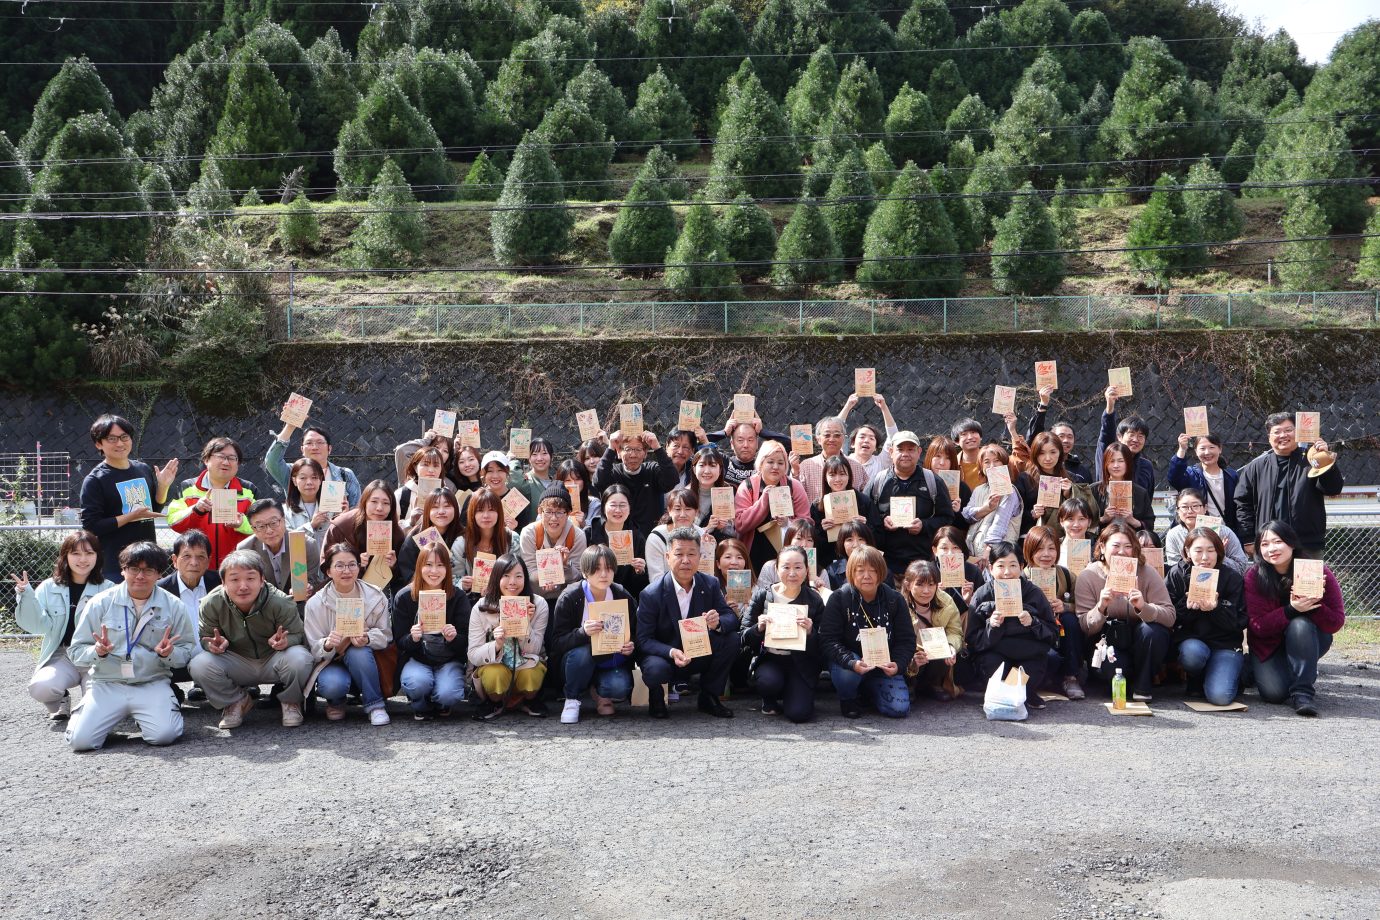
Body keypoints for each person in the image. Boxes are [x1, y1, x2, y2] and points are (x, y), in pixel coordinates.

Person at [65, 542, 197, 751]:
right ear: (123, 570)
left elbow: (187, 650)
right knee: (81, 742)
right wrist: (97, 652)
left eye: (148, 570)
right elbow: (75, 652)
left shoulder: (174, 606)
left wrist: (170, 654)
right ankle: (104, 721)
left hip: (151, 682)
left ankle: (145, 717)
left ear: (159, 574)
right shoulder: (100, 603)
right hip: (106, 683)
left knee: (164, 736)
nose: (140, 576)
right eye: (134, 569)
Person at [190, 550, 315, 729]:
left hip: (274, 658)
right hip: (236, 660)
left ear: (262, 579)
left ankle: (291, 702)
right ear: (223, 582)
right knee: (199, 664)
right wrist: (213, 645)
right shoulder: (211, 603)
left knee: (301, 658)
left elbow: (298, 634)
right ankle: (235, 701)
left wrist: (286, 642)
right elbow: (205, 637)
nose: (243, 586)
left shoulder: (280, 601)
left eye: (250, 578)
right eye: (234, 579)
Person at [635, 527, 741, 719]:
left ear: (700, 557)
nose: (686, 560)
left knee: (731, 639)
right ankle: (656, 696)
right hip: (666, 656)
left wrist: (717, 622)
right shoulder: (651, 594)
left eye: (691, 554)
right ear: (668, 557)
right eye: (679, 554)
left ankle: (709, 696)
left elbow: (730, 618)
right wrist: (671, 652)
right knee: (655, 669)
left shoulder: (710, 584)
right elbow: (643, 640)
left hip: (698, 650)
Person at [1245, 520, 1345, 715]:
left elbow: (1335, 622)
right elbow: (1257, 626)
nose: (1271, 549)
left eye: (1278, 542)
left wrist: (1313, 605)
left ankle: (1303, 693)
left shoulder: (1319, 572)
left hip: (1306, 639)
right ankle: (1251, 667)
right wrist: (1291, 609)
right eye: (1264, 544)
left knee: (1300, 624)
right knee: (1274, 694)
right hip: (1268, 646)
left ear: (1291, 543)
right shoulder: (1254, 576)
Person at [11, 531, 107, 720]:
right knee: (41, 687)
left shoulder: (109, 589)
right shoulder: (48, 587)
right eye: (76, 553)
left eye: (89, 553)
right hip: (62, 656)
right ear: (65, 556)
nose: (83, 559)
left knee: (94, 710)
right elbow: (37, 626)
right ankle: (61, 698)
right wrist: (26, 595)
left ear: (97, 556)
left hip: (97, 657)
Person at [1074, 521, 1175, 701]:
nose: (1122, 552)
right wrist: (1101, 607)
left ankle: (1143, 685)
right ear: (1102, 547)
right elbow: (1084, 627)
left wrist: (1143, 607)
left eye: (1128, 547)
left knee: (1153, 631)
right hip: (1107, 640)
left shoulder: (1147, 572)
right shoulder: (1088, 575)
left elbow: (1170, 616)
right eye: (1116, 546)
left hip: (1140, 640)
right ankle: (1122, 680)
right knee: (1113, 671)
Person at [78, 414, 179, 582]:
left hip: (148, 560)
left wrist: (163, 485)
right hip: (115, 566)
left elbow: (152, 510)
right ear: (98, 444)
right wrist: (131, 516)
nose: (119, 443)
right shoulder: (95, 480)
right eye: (112, 439)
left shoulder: (142, 469)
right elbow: (92, 526)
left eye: (124, 437)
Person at [819, 545, 914, 718]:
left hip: (883, 665)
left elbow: (906, 640)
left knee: (899, 708)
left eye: (873, 570)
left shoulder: (895, 600)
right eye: (860, 570)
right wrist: (851, 662)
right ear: (851, 572)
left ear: (881, 572)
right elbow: (828, 640)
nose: (867, 576)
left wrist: (898, 664)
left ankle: (868, 691)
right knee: (847, 676)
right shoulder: (839, 598)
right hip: (851, 665)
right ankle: (849, 697)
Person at [303, 543, 393, 726]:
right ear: (328, 571)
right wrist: (327, 643)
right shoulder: (315, 603)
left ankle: (375, 705)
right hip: (331, 661)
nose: (347, 571)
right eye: (339, 566)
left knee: (359, 652)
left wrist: (368, 638)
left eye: (352, 564)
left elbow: (386, 635)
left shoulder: (375, 596)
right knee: (332, 685)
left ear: (359, 567)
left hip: (366, 659)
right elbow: (313, 648)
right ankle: (336, 701)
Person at [1234, 412, 1344, 558]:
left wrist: (1325, 458)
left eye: (1288, 430)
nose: (1283, 435)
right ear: (1269, 437)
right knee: (1268, 575)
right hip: (1268, 545)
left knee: (1308, 574)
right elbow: (1243, 504)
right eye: (1277, 432)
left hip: (1307, 545)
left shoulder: (1312, 461)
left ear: (1297, 433)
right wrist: (1248, 538)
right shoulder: (1255, 467)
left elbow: (1333, 489)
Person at [549, 546, 638, 724]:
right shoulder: (570, 597)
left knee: (619, 686)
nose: (604, 574)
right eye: (597, 569)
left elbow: (636, 633)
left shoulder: (622, 595)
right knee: (582, 653)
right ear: (584, 572)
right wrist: (583, 632)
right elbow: (557, 642)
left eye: (609, 568)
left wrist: (631, 645)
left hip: (610, 660)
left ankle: (600, 692)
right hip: (575, 662)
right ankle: (572, 698)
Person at [965, 542, 1059, 708]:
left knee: (1038, 667)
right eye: (1001, 566)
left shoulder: (1034, 593)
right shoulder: (982, 594)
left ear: (1021, 567)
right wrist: (991, 626)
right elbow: (972, 639)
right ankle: (1002, 694)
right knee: (993, 666)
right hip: (995, 652)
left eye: (1013, 565)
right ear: (991, 568)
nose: (1007, 572)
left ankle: (1026, 692)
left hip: (1028, 653)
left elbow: (1053, 634)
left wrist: (1033, 623)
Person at [1164, 527, 1248, 706]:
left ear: (1219, 552)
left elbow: (1240, 621)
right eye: (1198, 550)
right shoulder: (1177, 573)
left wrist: (1216, 608)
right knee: (1192, 653)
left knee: (1220, 697)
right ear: (1187, 551)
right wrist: (1187, 606)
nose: (1205, 557)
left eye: (1211, 550)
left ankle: (1233, 674)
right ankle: (1195, 677)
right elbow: (1168, 615)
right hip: (1193, 642)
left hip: (1225, 645)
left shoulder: (1232, 577)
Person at [741, 545, 824, 723]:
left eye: (798, 567)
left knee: (799, 714)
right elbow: (743, 636)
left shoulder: (814, 599)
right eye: (786, 567)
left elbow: (824, 643)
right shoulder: (763, 595)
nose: (792, 573)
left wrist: (811, 632)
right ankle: (769, 698)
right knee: (769, 682)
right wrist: (758, 628)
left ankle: (793, 693)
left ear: (806, 570)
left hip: (800, 663)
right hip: (770, 659)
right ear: (777, 569)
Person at [392, 542, 472, 719]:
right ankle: (420, 704)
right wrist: (412, 638)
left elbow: (466, 639)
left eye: (440, 565)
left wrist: (453, 638)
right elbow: (399, 641)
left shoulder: (458, 596)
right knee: (417, 683)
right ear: (419, 566)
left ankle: (442, 703)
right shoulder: (405, 597)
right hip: (417, 659)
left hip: (449, 660)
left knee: (448, 693)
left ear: (448, 569)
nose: (434, 571)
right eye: (428, 564)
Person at [467, 553, 549, 720]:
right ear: (496, 577)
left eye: (518, 576)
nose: (512, 582)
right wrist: (496, 645)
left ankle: (528, 700)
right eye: (506, 576)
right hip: (496, 666)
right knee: (494, 675)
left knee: (531, 674)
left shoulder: (538, 604)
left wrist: (525, 624)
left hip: (526, 662)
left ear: (525, 578)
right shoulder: (481, 607)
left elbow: (536, 649)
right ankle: (494, 701)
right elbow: (473, 654)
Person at [868, 430, 955, 576]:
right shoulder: (878, 481)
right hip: (885, 566)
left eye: (910, 449)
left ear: (919, 452)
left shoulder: (933, 481)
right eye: (900, 449)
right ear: (891, 452)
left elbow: (947, 518)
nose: (905, 454)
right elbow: (865, 516)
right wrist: (883, 521)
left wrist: (924, 525)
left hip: (923, 564)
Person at [166, 437, 256, 567]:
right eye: (221, 456)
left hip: (237, 566)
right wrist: (196, 510)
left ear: (238, 463)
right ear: (206, 459)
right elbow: (173, 521)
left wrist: (242, 524)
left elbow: (262, 525)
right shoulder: (187, 487)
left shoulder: (248, 490)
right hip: (197, 566)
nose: (226, 462)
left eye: (232, 458)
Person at [1022, 526, 1085, 700]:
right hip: (1035, 631)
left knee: (1070, 620)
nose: (1046, 554)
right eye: (1040, 549)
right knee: (1051, 659)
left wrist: (1065, 606)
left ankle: (1071, 677)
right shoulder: (1022, 578)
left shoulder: (1066, 575)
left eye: (1051, 548)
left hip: (1061, 629)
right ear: (1029, 550)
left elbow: (1082, 605)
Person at [734, 439, 811, 572]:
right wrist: (763, 501)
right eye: (770, 462)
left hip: (788, 553)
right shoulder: (748, 486)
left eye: (780, 463)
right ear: (761, 463)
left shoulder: (794, 486)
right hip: (755, 551)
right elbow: (740, 524)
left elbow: (807, 521)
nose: (775, 467)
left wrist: (789, 523)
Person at [321, 479, 406, 594]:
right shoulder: (341, 526)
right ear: (364, 502)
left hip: (380, 592)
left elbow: (402, 576)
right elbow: (325, 564)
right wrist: (354, 564)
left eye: (386, 503)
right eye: (374, 501)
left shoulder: (396, 534)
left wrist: (393, 566)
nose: (379, 508)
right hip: (342, 590)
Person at [591, 430, 681, 535]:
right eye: (627, 449)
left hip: (650, 536)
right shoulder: (613, 472)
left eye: (638, 449)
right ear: (619, 452)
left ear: (645, 453)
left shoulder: (652, 470)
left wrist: (657, 447)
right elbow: (598, 482)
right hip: (618, 536)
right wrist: (611, 448)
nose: (633, 455)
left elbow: (672, 479)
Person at [900, 559, 963, 701]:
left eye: (931, 584)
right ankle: (909, 684)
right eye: (920, 584)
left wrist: (951, 646)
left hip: (934, 653)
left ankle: (933, 684)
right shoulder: (898, 603)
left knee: (944, 649)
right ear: (908, 585)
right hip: (910, 653)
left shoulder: (946, 601)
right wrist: (911, 660)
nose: (926, 591)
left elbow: (955, 631)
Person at [238, 498, 323, 600]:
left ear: (284, 520)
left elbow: (312, 579)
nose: (269, 531)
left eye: (273, 523)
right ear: (253, 529)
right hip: (264, 604)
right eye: (260, 526)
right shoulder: (245, 549)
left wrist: (307, 588)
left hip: (298, 603)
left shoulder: (306, 544)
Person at [267, 416, 361, 507]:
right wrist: (290, 426)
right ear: (302, 449)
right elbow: (272, 462)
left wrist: (345, 514)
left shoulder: (345, 475)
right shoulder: (292, 472)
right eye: (309, 443)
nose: (315, 447)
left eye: (320, 442)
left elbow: (357, 509)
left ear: (329, 449)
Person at [519, 485, 588, 608]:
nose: (554, 518)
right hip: (535, 598)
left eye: (560, 512)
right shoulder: (529, 533)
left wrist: (566, 564)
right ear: (540, 511)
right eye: (548, 511)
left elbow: (578, 575)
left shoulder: (577, 535)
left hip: (567, 599)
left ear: (568, 514)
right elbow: (528, 571)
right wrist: (547, 577)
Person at [811, 454, 878, 571]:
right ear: (825, 477)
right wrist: (822, 530)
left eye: (842, 474)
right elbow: (814, 544)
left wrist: (866, 526)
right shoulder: (817, 506)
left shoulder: (864, 501)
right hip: (829, 566)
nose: (838, 479)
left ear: (849, 476)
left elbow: (880, 537)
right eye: (832, 475)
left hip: (861, 563)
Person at [1169, 433, 1240, 539]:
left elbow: (1239, 506)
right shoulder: (1191, 475)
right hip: (1196, 533)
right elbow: (1174, 478)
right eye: (1202, 448)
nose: (1207, 452)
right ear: (1196, 451)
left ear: (1220, 449)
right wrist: (1182, 449)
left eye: (1212, 447)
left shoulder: (1231, 476)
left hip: (1225, 532)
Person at [584, 484, 649, 598]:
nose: (618, 510)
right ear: (604, 507)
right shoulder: (590, 533)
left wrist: (640, 571)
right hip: (593, 596)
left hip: (625, 597)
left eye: (623, 505)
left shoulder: (636, 537)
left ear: (629, 508)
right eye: (613, 505)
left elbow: (640, 586)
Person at [449, 489, 515, 599]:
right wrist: (463, 584)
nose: (486, 515)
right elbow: (453, 577)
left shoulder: (512, 539)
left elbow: (519, 573)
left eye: (491, 510)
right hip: (470, 601)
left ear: (499, 512)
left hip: (504, 597)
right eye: (480, 510)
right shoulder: (461, 542)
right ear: (472, 514)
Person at [1164, 488, 1249, 574]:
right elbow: (1174, 571)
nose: (1190, 511)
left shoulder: (1223, 532)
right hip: (1188, 581)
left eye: (1195, 506)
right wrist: (1191, 558)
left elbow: (1242, 568)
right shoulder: (1174, 535)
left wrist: (1220, 556)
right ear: (1178, 510)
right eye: (1184, 507)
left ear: (1205, 508)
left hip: (1224, 580)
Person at [962, 444, 1022, 557]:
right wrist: (985, 508)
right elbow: (966, 514)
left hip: (997, 553)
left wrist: (989, 549)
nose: (992, 466)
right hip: (973, 550)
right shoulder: (978, 489)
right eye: (987, 462)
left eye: (997, 461)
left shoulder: (1009, 490)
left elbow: (1000, 524)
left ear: (1004, 464)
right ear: (981, 466)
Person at [395, 488, 464, 586]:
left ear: (456, 509)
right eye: (435, 507)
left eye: (447, 506)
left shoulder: (464, 536)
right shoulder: (415, 536)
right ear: (427, 510)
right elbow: (407, 571)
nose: (441, 511)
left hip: (458, 591)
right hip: (423, 592)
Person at [1095, 387, 1155, 496]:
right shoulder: (1107, 455)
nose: (1135, 440)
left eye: (1140, 436)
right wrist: (1110, 406)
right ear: (1119, 436)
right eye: (1131, 434)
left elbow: (1147, 499)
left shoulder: (1146, 466)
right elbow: (1106, 433)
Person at [1024, 387, 1090, 483]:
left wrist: (1069, 490)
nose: (1066, 440)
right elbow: (1034, 437)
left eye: (1070, 437)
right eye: (1061, 436)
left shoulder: (1081, 472)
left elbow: (1087, 492)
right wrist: (1043, 405)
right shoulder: (1030, 475)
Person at [797, 416, 869, 503]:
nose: (831, 439)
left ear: (844, 438)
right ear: (818, 439)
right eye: (827, 435)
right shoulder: (805, 466)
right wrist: (794, 472)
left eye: (837, 435)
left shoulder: (856, 467)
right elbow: (795, 497)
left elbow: (867, 498)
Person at [157, 530, 220, 628]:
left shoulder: (220, 583)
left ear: (208, 561)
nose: (194, 563)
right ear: (175, 560)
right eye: (187, 556)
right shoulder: (160, 590)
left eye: (201, 556)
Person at [755, 519, 829, 595]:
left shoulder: (821, 573)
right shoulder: (770, 568)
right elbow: (760, 598)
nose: (804, 544)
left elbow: (827, 601)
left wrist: (820, 591)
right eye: (799, 538)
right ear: (789, 540)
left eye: (809, 540)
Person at [1093, 443, 1155, 535]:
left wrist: (1133, 521)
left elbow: (1150, 524)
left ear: (1128, 463)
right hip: (1103, 540)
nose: (1116, 465)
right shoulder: (1093, 490)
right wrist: (1103, 519)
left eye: (1121, 461)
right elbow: (1084, 523)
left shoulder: (1140, 493)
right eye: (1111, 461)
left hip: (1132, 540)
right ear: (1105, 464)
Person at [646, 487, 703, 584]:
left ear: (696, 512)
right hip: (666, 590)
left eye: (688, 509)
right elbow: (656, 579)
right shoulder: (656, 537)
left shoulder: (702, 534)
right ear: (669, 510)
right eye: (677, 509)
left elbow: (707, 573)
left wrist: (710, 548)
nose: (682, 514)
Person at [839, 390, 899, 481]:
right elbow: (835, 431)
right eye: (862, 437)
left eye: (871, 438)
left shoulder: (881, 462)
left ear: (875, 447)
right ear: (852, 443)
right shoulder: (843, 461)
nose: (866, 440)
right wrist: (848, 406)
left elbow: (894, 436)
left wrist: (884, 407)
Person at [687, 446, 736, 541]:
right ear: (694, 469)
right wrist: (708, 528)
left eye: (712, 465)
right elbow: (682, 532)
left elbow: (731, 532)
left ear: (720, 470)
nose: (707, 471)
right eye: (702, 465)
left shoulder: (727, 492)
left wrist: (721, 527)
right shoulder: (686, 495)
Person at [396, 446, 449, 529]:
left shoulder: (448, 495)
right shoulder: (401, 495)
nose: (431, 470)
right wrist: (410, 522)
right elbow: (391, 530)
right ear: (415, 467)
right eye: (425, 464)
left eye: (436, 466)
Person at [931, 526, 980, 617]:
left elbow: (983, 608)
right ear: (935, 551)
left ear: (962, 550)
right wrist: (934, 596)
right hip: (935, 620)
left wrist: (969, 600)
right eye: (944, 548)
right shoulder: (928, 572)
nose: (950, 553)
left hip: (965, 621)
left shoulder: (973, 571)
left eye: (956, 547)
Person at [283, 457, 332, 544]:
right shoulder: (285, 512)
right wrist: (311, 525)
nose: (309, 482)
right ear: (294, 481)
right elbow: (286, 542)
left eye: (314, 477)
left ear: (320, 479)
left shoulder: (332, 507)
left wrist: (344, 517)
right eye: (303, 478)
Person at [827, 521, 876, 590]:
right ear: (842, 543)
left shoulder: (880, 568)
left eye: (860, 539)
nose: (856, 545)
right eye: (849, 540)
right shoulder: (833, 571)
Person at [554, 458, 597, 529]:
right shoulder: (551, 503)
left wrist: (584, 524)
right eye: (568, 480)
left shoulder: (594, 504)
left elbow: (599, 531)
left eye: (577, 479)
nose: (573, 484)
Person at [665, 426, 707, 491]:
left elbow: (715, 465)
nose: (680, 452)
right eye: (676, 446)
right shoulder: (654, 471)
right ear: (667, 446)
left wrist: (705, 442)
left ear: (692, 451)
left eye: (686, 447)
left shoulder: (694, 472)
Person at [951, 418, 985, 490]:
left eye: (973, 432)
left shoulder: (993, 461)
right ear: (957, 441)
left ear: (980, 437)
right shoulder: (952, 465)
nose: (970, 437)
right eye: (964, 434)